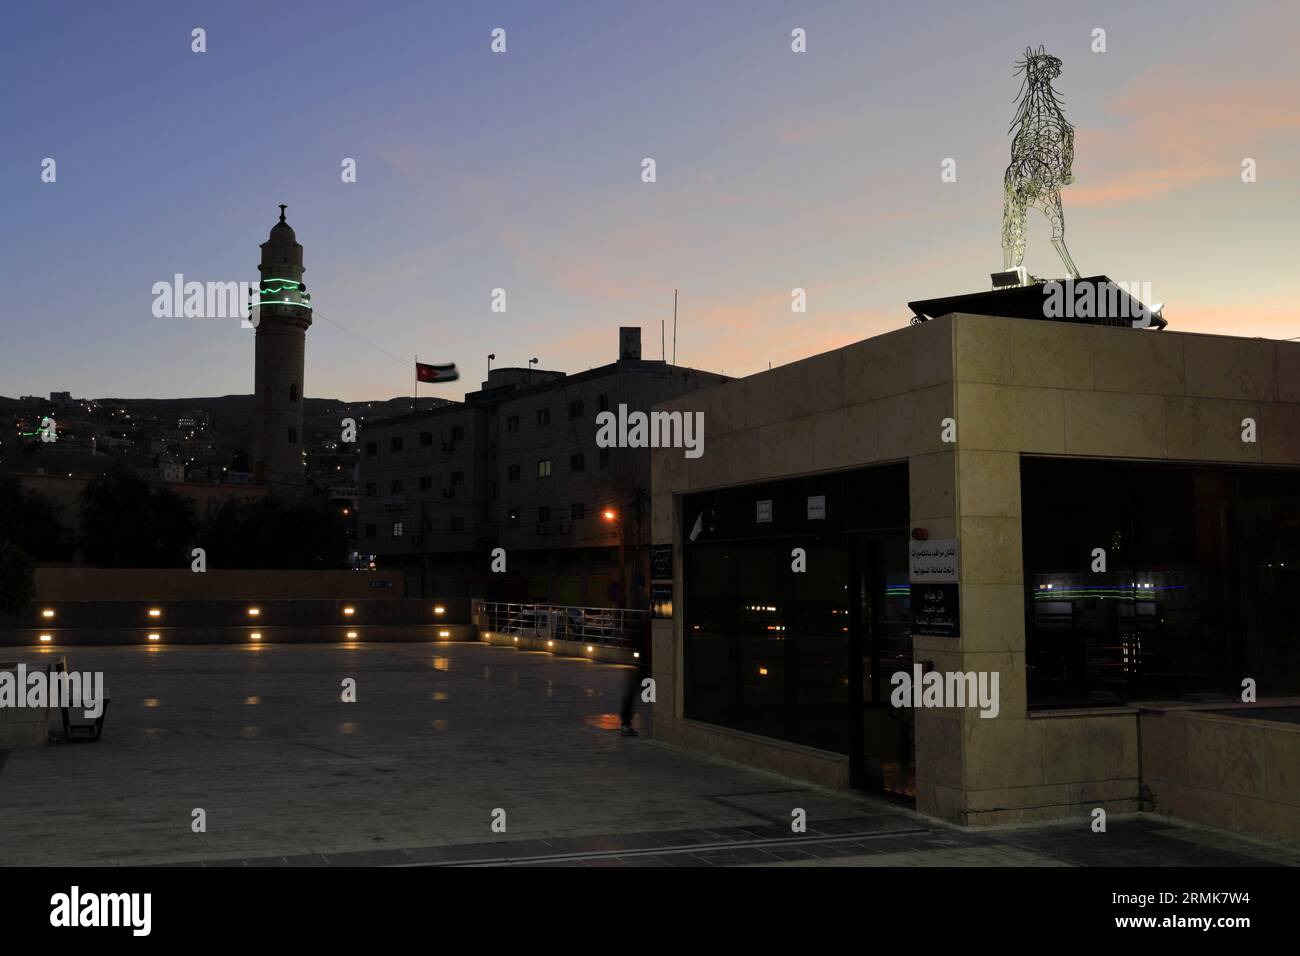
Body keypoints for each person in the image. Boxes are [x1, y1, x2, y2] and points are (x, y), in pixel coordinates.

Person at [618, 616, 652, 736]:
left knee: (641, 694)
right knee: (645, 694)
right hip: (647, 666)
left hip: (645, 666)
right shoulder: (648, 625)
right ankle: (626, 724)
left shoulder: (646, 624)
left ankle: (626, 723)